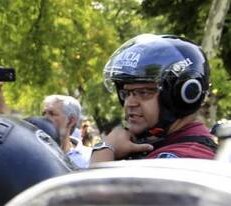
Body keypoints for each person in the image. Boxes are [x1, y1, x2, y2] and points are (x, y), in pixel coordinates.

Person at [91, 34, 217, 164]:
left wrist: (104, 149)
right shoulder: (163, 144)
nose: (129, 103)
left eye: (144, 92)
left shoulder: (182, 158)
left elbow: (96, 180)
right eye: (127, 93)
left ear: (182, 95)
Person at [0, 72, 88, 168]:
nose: (45, 118)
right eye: (44, 113)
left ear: (70, 121)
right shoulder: (31, 153)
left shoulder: (89, 158)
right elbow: (9, 124)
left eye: (52, 114)